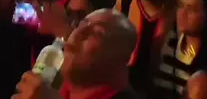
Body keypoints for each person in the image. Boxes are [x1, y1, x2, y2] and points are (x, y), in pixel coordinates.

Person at [11, 9, 139, 99]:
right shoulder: (55, 86)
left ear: (120, 60)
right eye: (79, 25)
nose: (78, 33)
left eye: (98, 32)